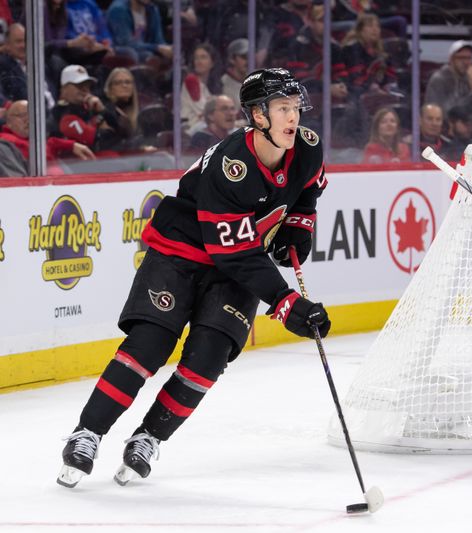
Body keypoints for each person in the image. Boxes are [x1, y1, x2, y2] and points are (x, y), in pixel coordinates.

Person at [57, 67, 331, 488]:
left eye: (295, 107)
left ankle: (149, 437)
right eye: (281, 108)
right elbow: (235, 254)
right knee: (149, 345)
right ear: (258, 116)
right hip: (181, 253)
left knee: (208, 357)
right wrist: (285, 301)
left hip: (235, 264)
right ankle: (87, 433)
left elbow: (308, 189)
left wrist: (299, 224)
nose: (293, 117)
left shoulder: (307, 147)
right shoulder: (232, 165)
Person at [0, 99, 95, 161]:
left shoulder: (30, 139)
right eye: (21, 115)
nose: (28, 120)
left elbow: (43, 145)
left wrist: (71, 145)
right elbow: (39, 153)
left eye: (31, 115)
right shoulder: (6, 141)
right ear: (8, 122)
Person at [424, 40, 472, 116]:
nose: (466, 62)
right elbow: (439, 113)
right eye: (461, 58)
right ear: (451, 59)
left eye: (469, 58)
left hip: (470, 125)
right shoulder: (439, 79)